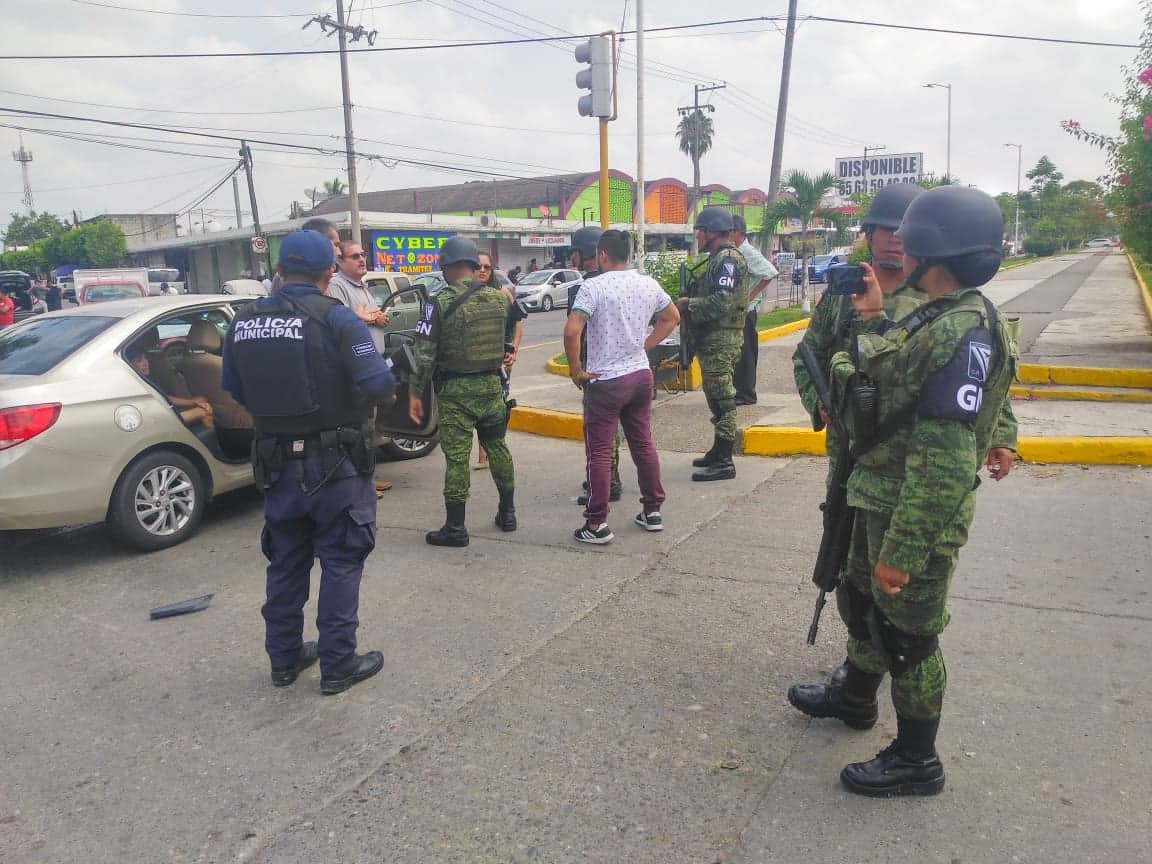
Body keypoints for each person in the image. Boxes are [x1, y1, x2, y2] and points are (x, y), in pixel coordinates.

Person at [796, 186, 1019, 797]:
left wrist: (907, 548)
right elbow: (881, 368)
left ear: (930, 254)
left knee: (909, 635)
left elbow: (945, 459)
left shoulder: (957, 326)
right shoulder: (941, 314)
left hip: (906, 505)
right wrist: (865, 322)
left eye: (909, 236)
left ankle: (918, 759)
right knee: (862, 599)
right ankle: (855, 694)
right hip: (871, 484)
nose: (898, 243)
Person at [221, 230, 397, 696]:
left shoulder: (243, 322)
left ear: (279, 270)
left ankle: (284, 658)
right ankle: (338, 664)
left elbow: (233, 389)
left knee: (285, 561)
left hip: (275, 463)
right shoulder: (337, 319)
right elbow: (379, 385)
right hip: (336, 464)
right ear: (327, 273)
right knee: (341, 560)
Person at [564, 230, 680, 544]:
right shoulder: (647, 283)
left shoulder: (593, 287)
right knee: (643, 444)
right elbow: (672, 317)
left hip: (605, 380)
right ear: (626, 255)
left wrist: (576, 370)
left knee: (600, 452)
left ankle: (596, 524)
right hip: (640, 376)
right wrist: (645, 346)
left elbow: (573, 330)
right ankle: (652, 510)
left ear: (602, 255)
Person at [409, 237, 517, 547]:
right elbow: (506, 337)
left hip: (456, 393)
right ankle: (507, 513)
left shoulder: (437, 302)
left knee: (457, 461)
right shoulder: (500, 298)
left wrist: (416, 393)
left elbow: (425, 354)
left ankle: (455, 529)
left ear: (447, 267)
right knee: (498, 448)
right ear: (471, 265)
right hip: (492, 390)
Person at [676, 206, 750, 481]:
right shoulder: (718, 258)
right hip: (713, 340)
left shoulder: (727, 260)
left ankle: (725, 460)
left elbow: (722, 302)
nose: (697, 236)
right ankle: (718, 451)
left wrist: (688, 304)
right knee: (715, 398)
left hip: (722, 340)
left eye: (700, 231)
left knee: (724, 400)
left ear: (711, 232)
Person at [565, 226, 624, 505]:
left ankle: (607, 483)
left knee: (600, 428)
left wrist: (575, 368)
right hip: (626, 365)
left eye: (575, 251)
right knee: (618, 427)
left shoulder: (586, 287)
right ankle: (608, 477)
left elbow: (574, 331)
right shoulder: (624, 281)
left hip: (597, 367)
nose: (572, 256)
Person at [473, 251, 525, 470]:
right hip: (476, 361)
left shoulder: (502, 293)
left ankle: (491, 451)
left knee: (497, 406)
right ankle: (483, 453)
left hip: (500, 359)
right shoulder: (466, 294)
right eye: (479, 267)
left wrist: (513, 349)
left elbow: (518, 323)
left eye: (487, 267)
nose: (483, 270)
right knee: (477, 407)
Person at [730, 214, 779, 405]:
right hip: (740, 311)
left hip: (747, 311)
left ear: (737, 233)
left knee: (746, 353)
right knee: (740, 353)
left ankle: (747, 394)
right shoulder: (737, 251)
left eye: (729, 232)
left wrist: (750, 296)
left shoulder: (747, 252)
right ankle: (740, 391)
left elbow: (769, 273)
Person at [126, 346, 215, 428]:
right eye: (139, 360)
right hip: (156, 422)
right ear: (128, 365)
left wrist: (193, 402)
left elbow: (165, 398)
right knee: (204, 411)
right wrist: (194, 404)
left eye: (145, 358)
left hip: (163, 413)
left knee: (202, 401)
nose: (145, 363)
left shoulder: (140, 380)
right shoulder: (134, 386)